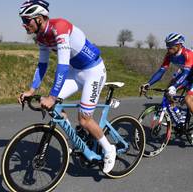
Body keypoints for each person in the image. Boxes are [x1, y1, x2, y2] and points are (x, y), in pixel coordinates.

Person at [17, 0, 116, 173]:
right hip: (75, 71)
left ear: (39, 18)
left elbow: (62, 65)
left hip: (93, 71)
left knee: (84, 119)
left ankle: (109, 149)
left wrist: (52, 96)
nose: (24, 25)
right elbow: (42, 65)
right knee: (54, 107)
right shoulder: (41, 37)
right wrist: (31, 90)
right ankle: (76, 141)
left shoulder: (60, 27)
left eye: (27, 20)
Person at [140, 32, 193, 113]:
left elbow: (185, 73)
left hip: (187, 75)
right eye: (167, 45)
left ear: (179, 45)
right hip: (187, 76)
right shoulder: (169, 55)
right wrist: (149, 83)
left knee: (188, 99)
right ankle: (176, 113)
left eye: (170, 45)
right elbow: (161, 70)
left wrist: (175, 87)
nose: (168, 48)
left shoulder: (188, 54)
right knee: (167, 92)